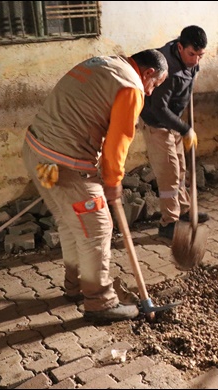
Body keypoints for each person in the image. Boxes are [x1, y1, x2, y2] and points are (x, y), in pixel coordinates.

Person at [22, 49, 168, 322]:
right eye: (154, 85)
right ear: (148, 73)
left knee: (70, 222)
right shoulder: (131, 87)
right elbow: (119, 140)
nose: (150, 93)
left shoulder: (106, 63)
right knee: (97, 227)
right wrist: (113, 182)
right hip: (64, 164)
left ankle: (75, 286)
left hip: (36, 153)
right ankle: (99, 301)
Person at [140, 25, 209, 240]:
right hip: (157, 124)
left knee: (180, 170)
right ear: (180, 47)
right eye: (192, 54)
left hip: (174, 122)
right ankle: (168, 223)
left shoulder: (190, 59)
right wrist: (185, 128)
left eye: (200, 55)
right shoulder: (166, 69)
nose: (196, 60)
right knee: (169, 174)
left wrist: (181, 125)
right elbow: (159, 108)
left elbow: (187, 87)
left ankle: (185, 210)